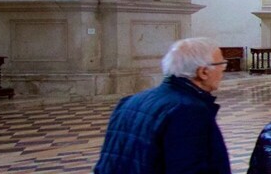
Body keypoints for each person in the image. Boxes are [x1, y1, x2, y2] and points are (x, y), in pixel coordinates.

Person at [94, 38, 232, 174]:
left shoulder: (130, 102)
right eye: (222, 65)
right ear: (203, 72)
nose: (222, 71)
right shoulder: (189, 111)